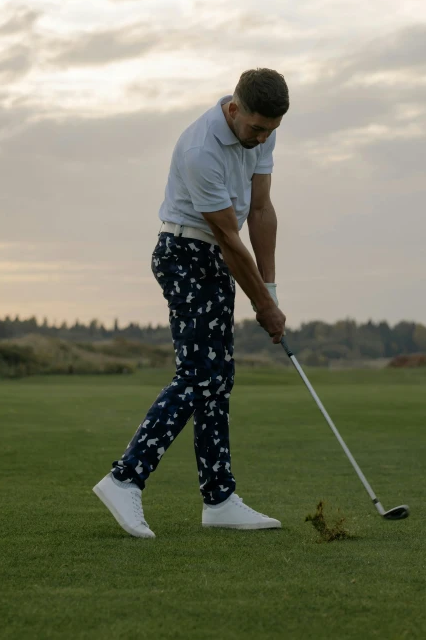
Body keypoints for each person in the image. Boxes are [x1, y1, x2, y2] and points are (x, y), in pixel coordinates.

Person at [93, 68, 289, 538]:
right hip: (184, 253)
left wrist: (271, 287)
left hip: (215, 256)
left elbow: (260, 210)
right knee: (200, 376)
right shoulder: (201, 149)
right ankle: (126, 478)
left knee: (217, 380)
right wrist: (263, 305)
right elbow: (227, 235)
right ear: (234, 108)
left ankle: (219, 499)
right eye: (256, 127)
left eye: (271, 129)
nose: (261, 137)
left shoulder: (262, 134)